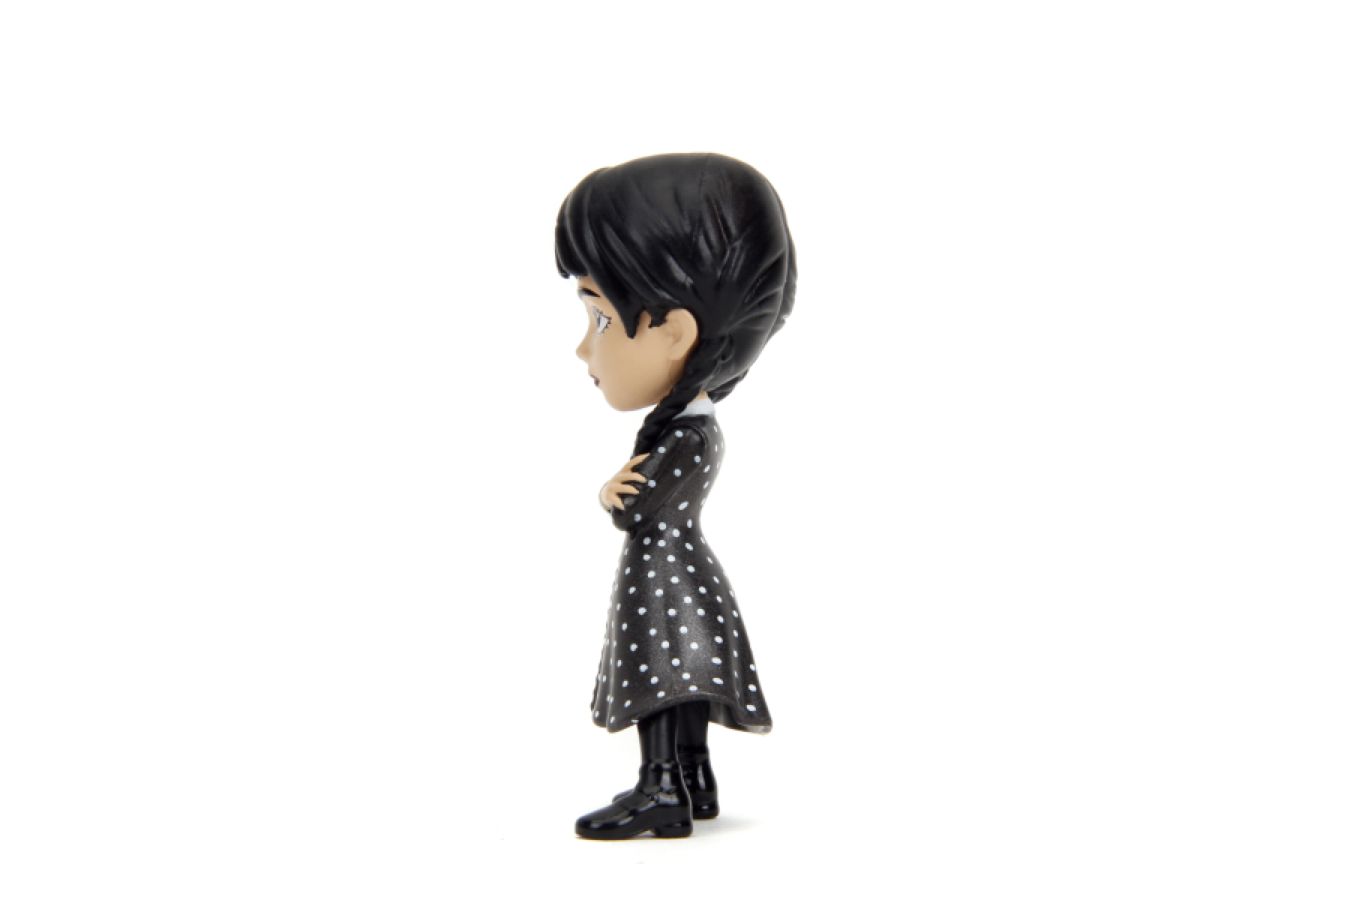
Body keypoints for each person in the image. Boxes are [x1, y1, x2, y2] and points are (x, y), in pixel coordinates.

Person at [555, 152, 797, 839]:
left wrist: (611, 495)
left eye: (601, 319)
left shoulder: (686, 435)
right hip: (679, 571)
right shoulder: (692, 426)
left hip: (665, 577)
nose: (583, 349)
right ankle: (694, 778)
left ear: (674, 332)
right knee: (681, 677)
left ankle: (662, 786)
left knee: (662, 679)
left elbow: (635, 508)